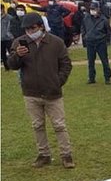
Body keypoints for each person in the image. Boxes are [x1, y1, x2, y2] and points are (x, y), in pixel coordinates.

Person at [7, 13, 75, 168]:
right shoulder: (19, 43)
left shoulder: (56, 43)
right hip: (31, 93)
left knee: (59, 125)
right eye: (27, 29)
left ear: (41, 27)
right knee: (37, 125)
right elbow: (12, 65)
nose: (30, 32)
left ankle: (66, 155)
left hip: (53, 92)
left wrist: (58, 82)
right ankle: (43, 154)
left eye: (33, 28)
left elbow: (66, 64)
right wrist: (17, 55)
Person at [81, 2, 111, 85]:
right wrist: (85, 37)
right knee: (90, 61)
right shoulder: (86, 18)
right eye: (91, 9)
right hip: (90, 42)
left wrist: (107, 41)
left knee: (104, 61)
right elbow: (83, 28)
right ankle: (91, 78)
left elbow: (108, 31)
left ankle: (107, 77)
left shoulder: (104, 19)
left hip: (100, 42)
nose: (92, 10)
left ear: (98, 9)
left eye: (94, 9)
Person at [1, 5, 14, 70]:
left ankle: (13, 65)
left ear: (3, 9)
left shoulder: (9, 17)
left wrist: (10, 36)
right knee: (2, 54)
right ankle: (7, 67)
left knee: (11, 52)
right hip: (1, 39)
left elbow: (10, 28)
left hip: (8, 39)